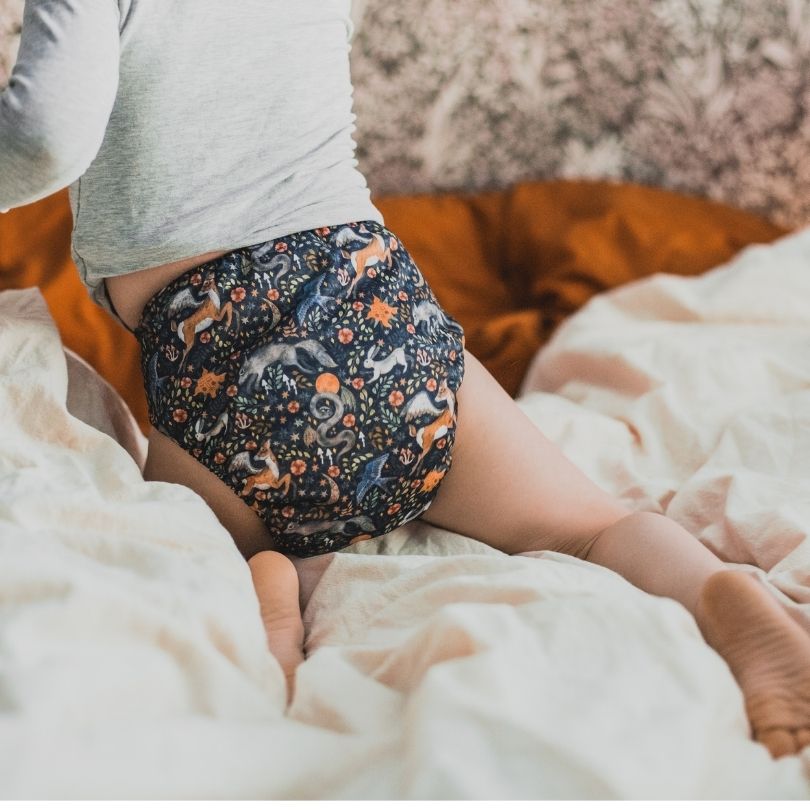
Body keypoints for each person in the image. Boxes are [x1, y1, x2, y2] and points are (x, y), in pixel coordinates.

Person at [3, 0, 810, 760]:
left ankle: (266, 592)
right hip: (376, 306)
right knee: (591, 528)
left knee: (196, 544)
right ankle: (715, 595)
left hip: (220, 350)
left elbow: (45, 137)